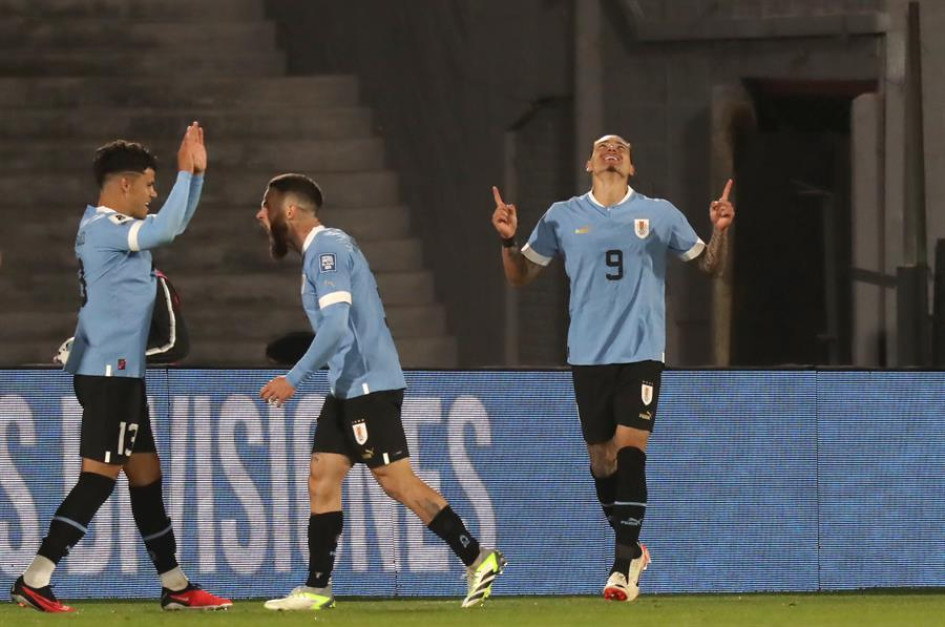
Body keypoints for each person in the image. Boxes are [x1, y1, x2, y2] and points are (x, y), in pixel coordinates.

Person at [491, 134, 735, 602]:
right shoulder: (562, 216)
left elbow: (708, 265)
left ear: (632, 166)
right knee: (602, 463)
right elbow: (521, 275)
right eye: (603, 146)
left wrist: (720, 229)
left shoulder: (659, 213)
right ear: (588, 163)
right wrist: (508, 240)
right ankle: (633, 546)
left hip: (641, 352)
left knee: (630, 450)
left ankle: (623, 566)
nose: (611, 151)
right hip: (587, 355)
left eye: (621, 147)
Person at [256, 173, 505, 610]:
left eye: (267, 205)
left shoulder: (327, 249)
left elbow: (335, 327)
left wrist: (292, 379)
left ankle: (478, 557)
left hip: (368, 385)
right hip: (346, 386)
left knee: (397, 483)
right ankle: (316, 588)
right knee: (323, 477)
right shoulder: (324, 250)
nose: (261, 214)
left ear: (289, 211)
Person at [10, 124, 232, 613]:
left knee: (146, 476)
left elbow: (171, 225)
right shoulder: (104, 230)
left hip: (121, 374)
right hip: (109, 375)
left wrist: (193, 178)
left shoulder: (108, 229)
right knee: (98, 478)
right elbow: (168, 229)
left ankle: (175, 586)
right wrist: (183, 173)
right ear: (124, 185)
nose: (155, 194)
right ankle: (35, 577)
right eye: (151, 185)